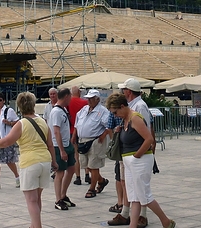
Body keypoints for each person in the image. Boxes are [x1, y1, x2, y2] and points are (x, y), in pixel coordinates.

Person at [0, 92, 57, 228]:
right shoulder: (42, 121)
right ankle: (34, 224)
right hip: (45, 161)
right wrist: (54, 162)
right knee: (37, 198)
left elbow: (5, 142)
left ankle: (37, 226)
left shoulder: (21, 124)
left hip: (30, 162)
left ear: (19, 106)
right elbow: (50, 144)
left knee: (31, 200)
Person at [105, 93, 175, 228]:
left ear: (122, 106)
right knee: (133, 196)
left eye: (115, 112)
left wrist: (137, 155)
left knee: (144, 195)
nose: (115, 115)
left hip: (139, 160)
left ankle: (166, 221)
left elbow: (149, 139)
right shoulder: (125, 119)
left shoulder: (135, 118)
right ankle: (133, 225)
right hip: (129, 160)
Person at [109, 78, 154, 227]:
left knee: (139, 188)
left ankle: (142, 215)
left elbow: (146, 133)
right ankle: (127, 213)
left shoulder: (139, 107)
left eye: (123, 90)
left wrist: (137, 156)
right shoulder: (134, 106)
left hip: (135, 154)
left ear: (128, 91)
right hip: (128, 153)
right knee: (127, 184)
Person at [73, 89, 111, 199]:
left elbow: (108, 125)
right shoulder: (84, 109)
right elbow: (77, 123)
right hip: (82, 140)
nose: (89, 101)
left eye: (91, 99)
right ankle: (101, 181)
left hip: (95, 140)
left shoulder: (103, 111)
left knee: (94, 166)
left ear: (97, 99)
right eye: (88, 99)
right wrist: (74, 135)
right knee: (86, 165)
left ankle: (92, 188)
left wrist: (103, 136)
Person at [49, 87, 76, 210]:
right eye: (70, 97)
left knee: (71, 169)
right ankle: (57, 199)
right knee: (60, 173)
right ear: (66, 97)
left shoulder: (63, 109)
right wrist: (61, 150)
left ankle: (63, 194)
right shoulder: (56, 112)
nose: (71, 100)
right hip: (59, 146)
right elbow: (56, 131)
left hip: (67, 144)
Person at [68, 86, 89, 185]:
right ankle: (87, 174)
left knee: (76, 155)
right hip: (82, 130)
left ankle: (78, 177)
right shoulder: (85, 102)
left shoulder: (69, 102)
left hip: (72, 130)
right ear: (79, 92)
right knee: (85, 153)